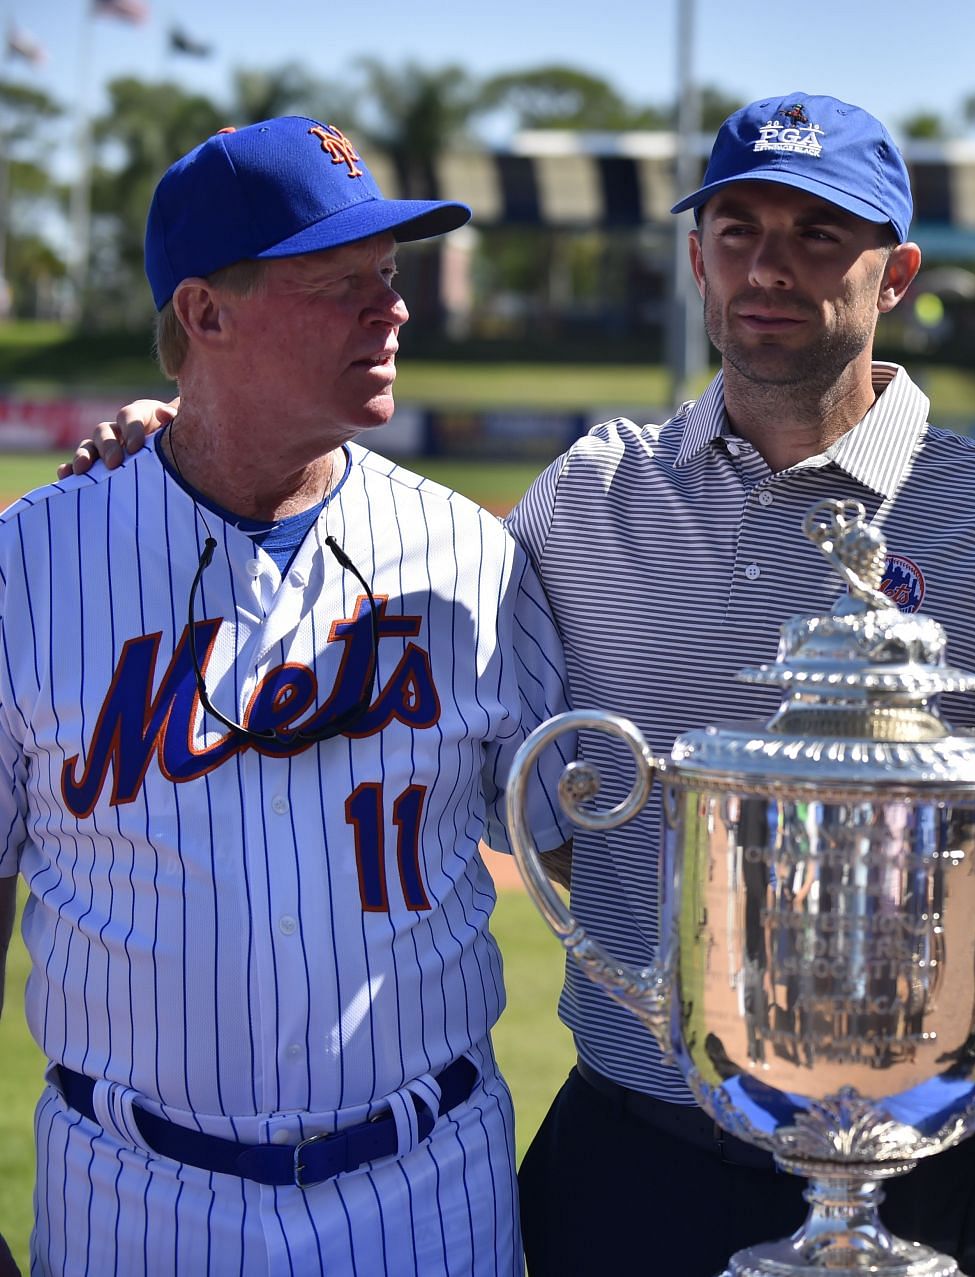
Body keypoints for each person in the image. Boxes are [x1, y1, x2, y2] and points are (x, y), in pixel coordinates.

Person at [503, 91, 975, 1277]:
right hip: (624, 1156)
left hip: (919, 1162)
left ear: (894, 272)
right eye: (738, 231)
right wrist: (162, 442)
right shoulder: (588, 494)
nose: (770, 268)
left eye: (818, 236)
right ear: (697, 258)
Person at [0, 116, 572, 1274]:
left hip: (428, 1189)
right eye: (339, 280)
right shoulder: (26, 565)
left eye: (391, 273)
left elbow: (576, 849)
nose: (392, 307)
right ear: (205, 313)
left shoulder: (471, 554)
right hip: (129, 1194)